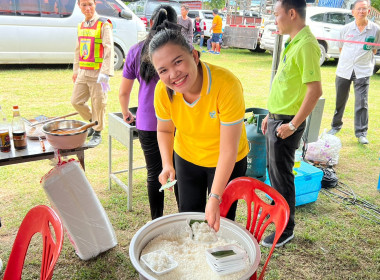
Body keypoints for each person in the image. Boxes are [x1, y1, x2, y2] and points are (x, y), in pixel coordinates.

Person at [149, 29, 249, 232]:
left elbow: (228, 150)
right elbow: (165, 131)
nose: (173, 74)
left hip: (227, 159)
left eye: (178, 62)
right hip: (186, 157)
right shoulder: (163, 90)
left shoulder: (227, 85)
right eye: (163, 70)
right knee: (188, 214)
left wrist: (215, 196)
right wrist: (167, 163)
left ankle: (217, 260)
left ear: (194, 56)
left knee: (220, 221)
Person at [261, 0, 322, 247]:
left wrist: (293, 125)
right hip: (278, 119)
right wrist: (269, 114)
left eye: (277, 14)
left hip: (287, 124)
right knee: (274, 175)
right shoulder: (293, 42)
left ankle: (285, 230)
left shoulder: (306, 45)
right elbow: (288, 88)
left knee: (282, 177)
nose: (275, 19)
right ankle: (279, 216)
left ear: (292, 13)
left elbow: (314, 91)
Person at [118, 5, 180, 220]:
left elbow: (123, 92)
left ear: (150, 24)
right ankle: (185, 215)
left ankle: (156, 220)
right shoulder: (179, 50)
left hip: (148, 122)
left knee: (155, 173)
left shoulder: (136, 50)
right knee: (180, 171)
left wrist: (126, 112)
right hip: (178, 121)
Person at [327, 0, 380, 145]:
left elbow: (374, 50)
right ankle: (335, 126)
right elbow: (341, 49)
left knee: (362, 102)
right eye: (359, 9)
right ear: (353, 12)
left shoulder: (375, 29)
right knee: (340, 100)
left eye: (364, 9)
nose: (361, 11)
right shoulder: (345, 29)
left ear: (368, 11)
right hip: (344, 70)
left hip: (363, 70)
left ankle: (361, 133)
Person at [71, 0, 114, 147]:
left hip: (98, 73)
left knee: (98, 103)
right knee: (76, 101)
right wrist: (76, 70)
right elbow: (78, 50)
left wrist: (105, 73)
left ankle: (97, 131)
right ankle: (93, 122)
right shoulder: (80, 25)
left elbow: (109, 49)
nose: (87, 8)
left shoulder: (104, 24)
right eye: (84, 5)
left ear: (96, 4)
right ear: (79, 6)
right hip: (83, 72)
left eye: (90, 4)